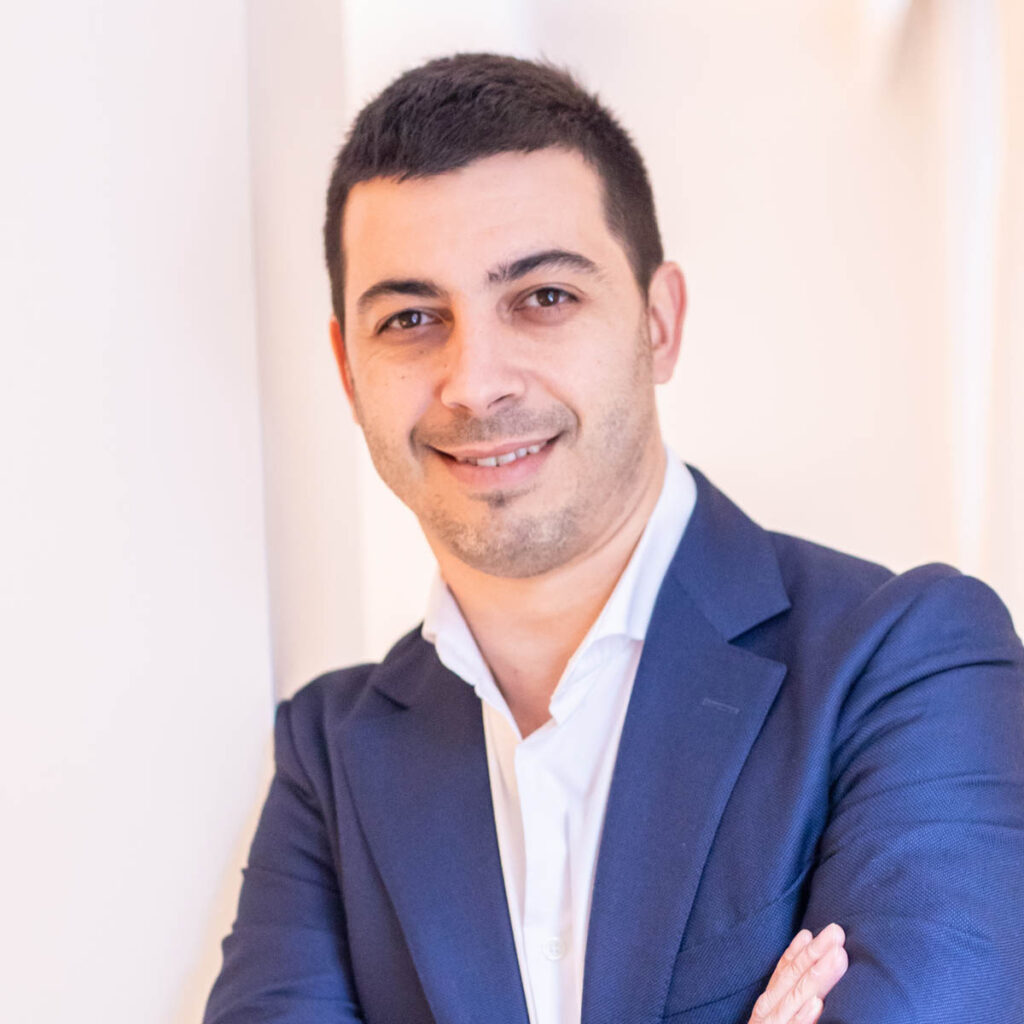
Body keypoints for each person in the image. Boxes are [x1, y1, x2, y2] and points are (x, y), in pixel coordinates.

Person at [203, 53, 1024, 1024]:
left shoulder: (907, 660)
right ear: (348, 369)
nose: (476, 382)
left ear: (658, 323)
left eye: (542, 298)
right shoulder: (328, 755)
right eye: (411, 318)